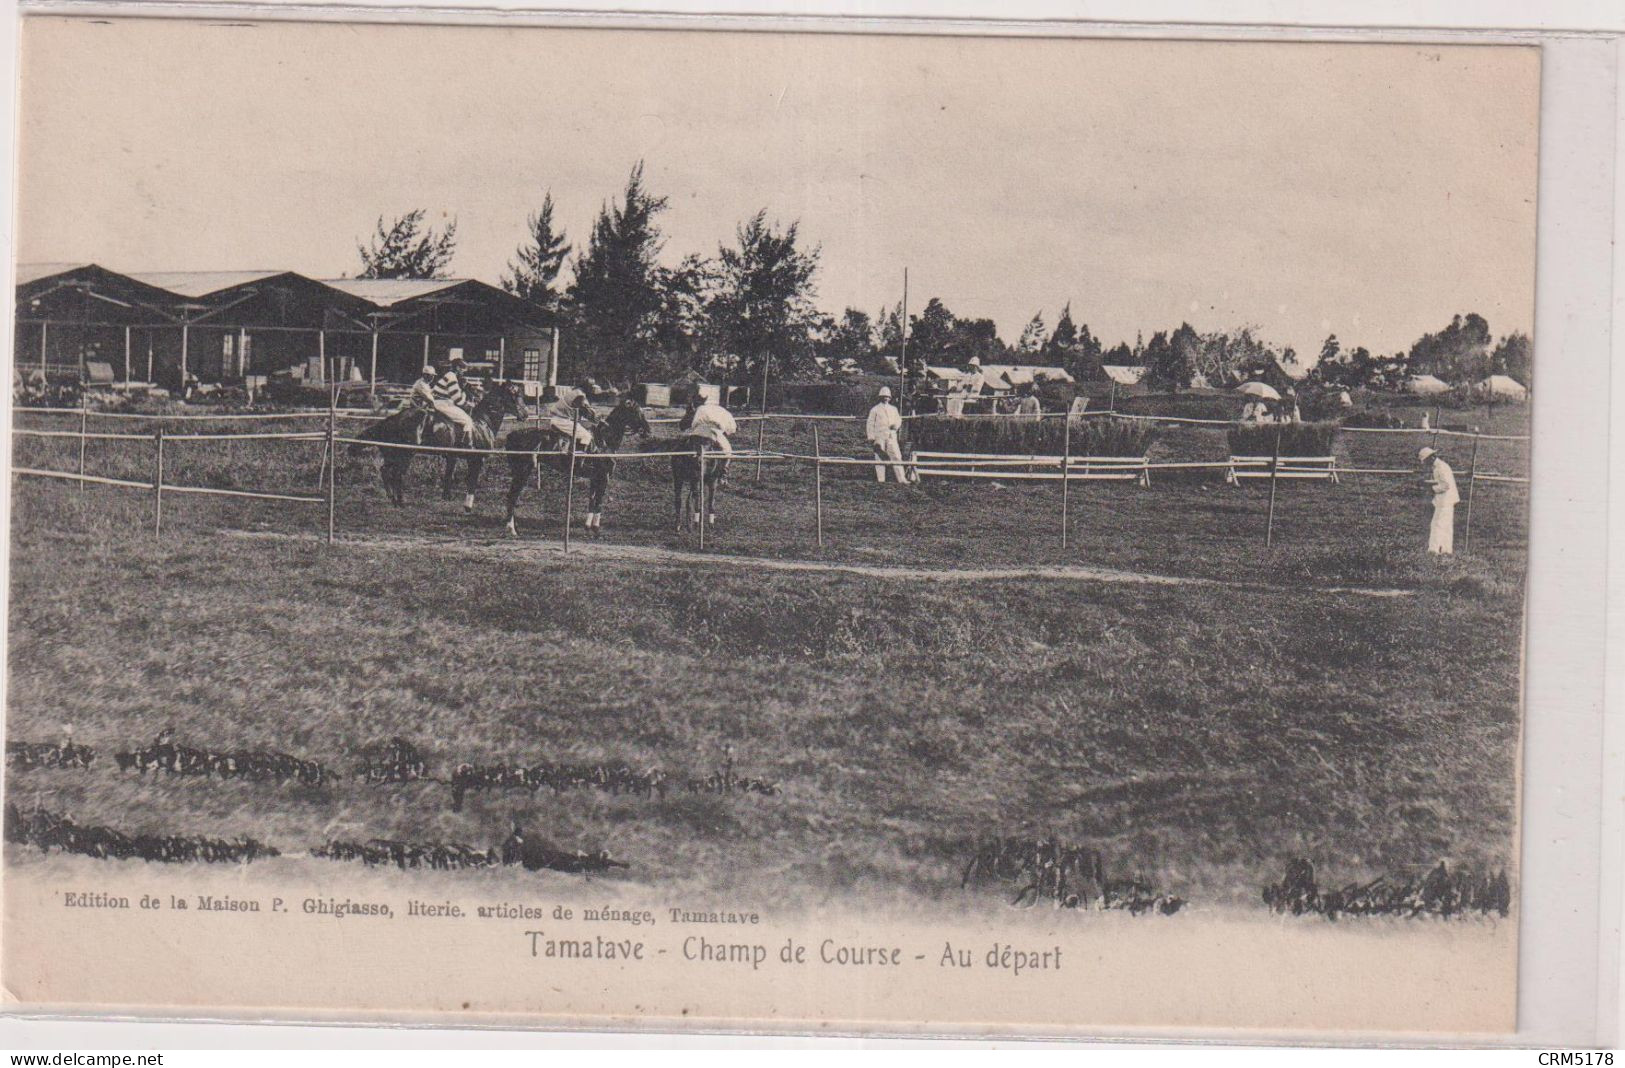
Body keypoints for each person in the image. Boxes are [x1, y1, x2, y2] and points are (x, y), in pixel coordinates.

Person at [1418, 446, 1459, 555]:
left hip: (1445, 501)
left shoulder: (1440, 467)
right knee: (1446, 526)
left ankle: (1433, 550)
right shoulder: (1440, 466)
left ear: (1431, 458)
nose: (1425, 464)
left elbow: (1445, 485)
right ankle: (1446, 550)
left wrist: (1432, 489)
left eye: (1426, 461)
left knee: (1437, 524)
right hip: (1447, 500)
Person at [865, 385, 908, 484]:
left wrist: (896, 426)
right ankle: (881, 480)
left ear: (890, 398)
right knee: (880, 457)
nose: (886, 398)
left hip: (891, 436)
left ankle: (901, 479)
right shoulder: (875, 409)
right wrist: (871, 437)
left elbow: (898, 420)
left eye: (887, 396)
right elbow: (870, 423)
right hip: (879, 436)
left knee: (896, 456)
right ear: (880, 397)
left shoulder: (893, 409)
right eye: (884, 396)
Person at [430, 356, 476, 440]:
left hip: (439, 403)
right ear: (458, 368)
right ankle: (467, 445)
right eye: (463, 370)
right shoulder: (452, 377)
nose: (463, 373)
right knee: (468, 420)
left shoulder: (448, 375)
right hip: (443, 405)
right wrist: (468, 404)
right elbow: (457, 399)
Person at [686, 391, 736, 456]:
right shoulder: (718, 410)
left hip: (703, 431)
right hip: (712, 431)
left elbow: (695, 423)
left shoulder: (701, 409)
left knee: (698, 446)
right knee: (727, 450)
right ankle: (724, 464)